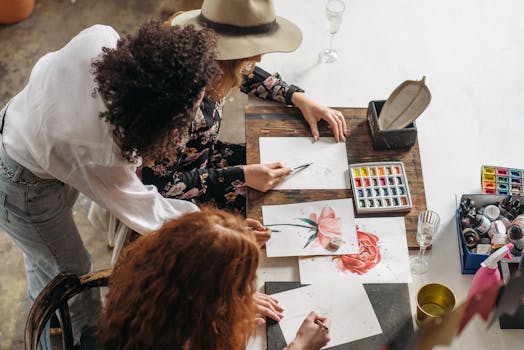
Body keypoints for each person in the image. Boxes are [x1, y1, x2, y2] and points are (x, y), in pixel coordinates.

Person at [0, 22, 220, 348]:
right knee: (71, 278)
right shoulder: (101, 149)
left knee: (44, 256)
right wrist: (212, 230)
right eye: (185, 119)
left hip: (23, 127)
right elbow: (144, 209)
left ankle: (45, 305)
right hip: (22, 183)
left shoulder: (102, 38)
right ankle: (65, 339)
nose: (191, 124)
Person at [140, 0, 348, 216]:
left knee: (287, 172)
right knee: (284, 208)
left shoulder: (201, 54)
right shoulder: (178, 112)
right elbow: (160, 188)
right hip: (182, 197)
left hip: (205, 159)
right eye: (251, 50)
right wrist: (241, 176)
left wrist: (294, 96)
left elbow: (242, 72)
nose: (258, 58)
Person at [98, 208, 331, 350]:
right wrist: (299, 346)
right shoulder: (190, 341)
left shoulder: (149, 283)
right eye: (239, 288)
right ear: (207, 300)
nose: (246, 292)